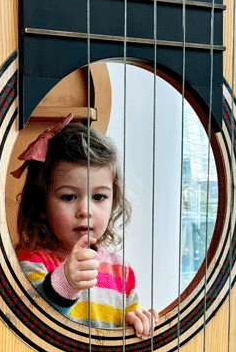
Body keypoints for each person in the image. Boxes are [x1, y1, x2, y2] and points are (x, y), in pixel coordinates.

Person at [12, 115, 158, 336]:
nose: (85, 210)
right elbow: (29, 324)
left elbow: (128, 335)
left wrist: (137, 322)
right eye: (69, 197)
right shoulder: (29, 260)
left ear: (114, 201)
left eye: (99, 197)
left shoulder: (122, 271)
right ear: (41, 204)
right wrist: (65, 284)